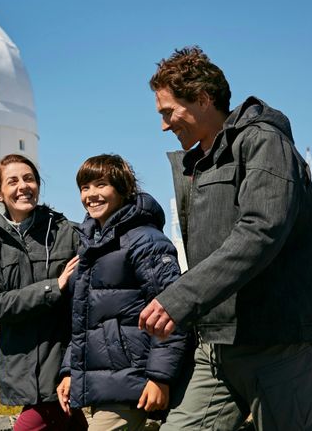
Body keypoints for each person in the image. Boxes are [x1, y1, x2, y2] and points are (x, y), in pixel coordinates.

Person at [139, 46, 312, 430]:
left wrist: (180, 298)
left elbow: (261, 229)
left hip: (274, 343)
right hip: (215, 348)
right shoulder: (200, 162)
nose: (163, 125)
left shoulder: (264, 142)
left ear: (202, 98)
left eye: (168, 111)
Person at [56, 154, 187, 431]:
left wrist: (159, 377)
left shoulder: (146, 241)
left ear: (124, 188)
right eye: (84, 187)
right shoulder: (91, 245)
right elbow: (83, 322)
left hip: (133, 382)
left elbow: (174, 311)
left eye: (100, 185)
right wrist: (70, 371)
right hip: (105, 383)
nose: (91, 195)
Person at [0, 154, 86, 431]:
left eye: (29, 179)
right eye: (13, 181)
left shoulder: (68, 233)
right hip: (21, 368)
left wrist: (73, 367)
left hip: (62, 365)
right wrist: (53, 287)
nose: (23, 186)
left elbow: (87, 303)